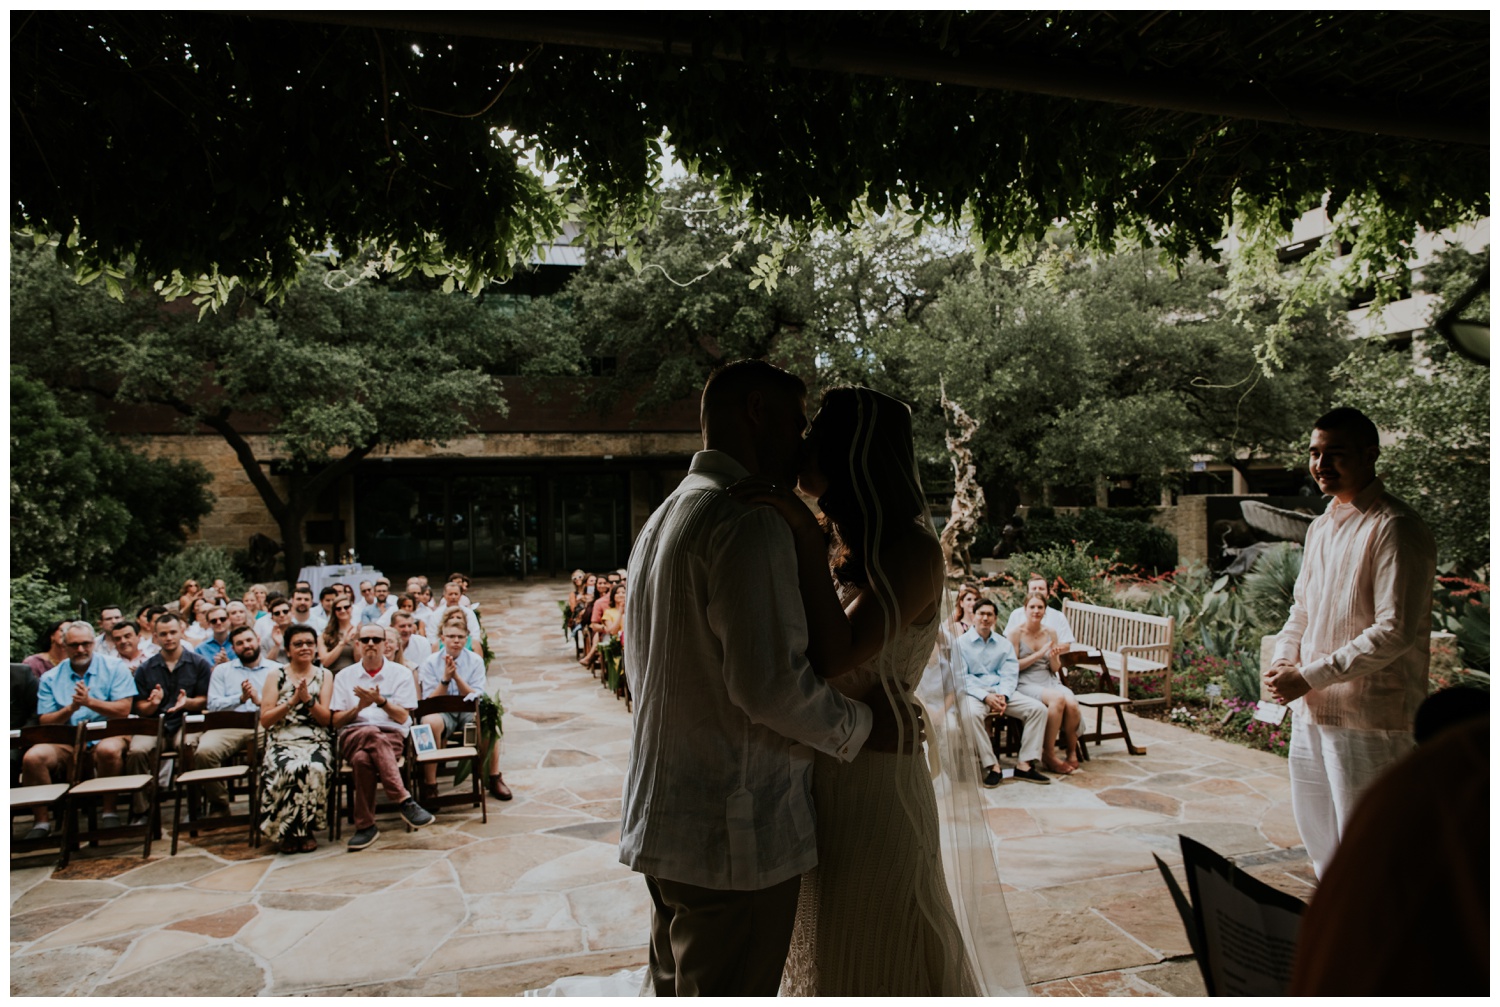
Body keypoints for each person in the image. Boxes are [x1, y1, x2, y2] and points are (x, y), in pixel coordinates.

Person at [732, 384, 1027, 995]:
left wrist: (802, 532)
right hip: (836, 758)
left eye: (816, 436)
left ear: (850, 453)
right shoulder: (853, 544)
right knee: (835, 940)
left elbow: (836, 651)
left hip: (876, 777)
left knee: (880, 933)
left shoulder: (913, 552)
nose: (803, 444)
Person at [620, 362, 896, 997]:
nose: (803, 443)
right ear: (755, 410)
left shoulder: (664, 515)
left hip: (666, 822)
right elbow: (769, 685)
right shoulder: (746, 519)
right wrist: (863, 725)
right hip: (732, 836)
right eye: (797, 423)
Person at [1264, 407, 1437, 879]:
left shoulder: (1395, 528)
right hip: (1312, 709)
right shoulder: (1322, 526)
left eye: (1335, 454)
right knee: (1323, 846)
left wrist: (1308, 675)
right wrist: (1284, 663)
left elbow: (1394, 630)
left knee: (1375, 850)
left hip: (1371, 717)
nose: (1321, 465)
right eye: (1315, 453)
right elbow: (1302, 608)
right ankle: (1341, 939)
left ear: (1369, 456)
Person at [21, 622, 138, 838]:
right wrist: (71, 708)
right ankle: (41, 821)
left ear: (94, 643)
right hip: (66, 738)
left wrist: (89, 702)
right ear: (64, 646)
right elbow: (45, 720)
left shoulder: (114, 667)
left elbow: (123, 709)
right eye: (74, 645)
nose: (81, 650)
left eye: (85, 644)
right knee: (33, 757)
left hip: (107, 732)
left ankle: (109, 811)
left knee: (108, 751)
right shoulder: (50, 677)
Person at [329, 623, 434, 850]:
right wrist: (359, 708)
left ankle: (365, 827)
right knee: (368, 731)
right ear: (357, 644)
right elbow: (336, 721)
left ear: (385, 644)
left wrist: (380, 702)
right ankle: (404, 800)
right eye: (365, 640)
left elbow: (402, 716)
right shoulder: (344, 677)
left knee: (362, 760)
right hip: (353, 733)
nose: (370, 644)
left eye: (376, 640)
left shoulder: (401, 674)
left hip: (390, 735)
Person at [130, 613, 215, 821]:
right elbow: (140, 707)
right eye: (163, 634)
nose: (169, 638)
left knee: (188, 747)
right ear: (155, 637)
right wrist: (153, 704)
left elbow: (205, 700)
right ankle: (143, 810)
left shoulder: (199, 663)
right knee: (136, 751)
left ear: (181, 632)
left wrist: (188, 703)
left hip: (186, 722)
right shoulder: (145, 668)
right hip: (154, 724)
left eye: (173, 632)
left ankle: (194, 807)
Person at [958, 599, 1052, 785]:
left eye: (989, 614)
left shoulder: (1003, 644)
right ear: (974, 616)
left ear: (995, 618)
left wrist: (1003, 695)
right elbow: (960, 677)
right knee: (971, 714)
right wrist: (986, 696)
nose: (985, 618)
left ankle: (1024, 765)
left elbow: (1010, 673)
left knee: (1038, 709)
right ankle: (992, 766)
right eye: (981, 614)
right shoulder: (960, 643)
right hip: (975, 694)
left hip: (1002, 693)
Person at [258, 624, 333, 853]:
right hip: (282, 737)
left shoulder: (324, 675)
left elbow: (326, 719)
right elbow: (266, 720)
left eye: (309, 643)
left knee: (315, 768)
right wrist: (291, 702)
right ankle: (287, 832)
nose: (304, 648)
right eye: (298, 644)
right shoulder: (276, 675)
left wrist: (309, 700)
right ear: (288, 650)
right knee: (288, 769)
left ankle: (305, 829)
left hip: (314, 737)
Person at [417, 623, 511, 801]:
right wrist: (445, 679)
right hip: (441, 710)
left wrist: (457, 678)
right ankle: (430, 783)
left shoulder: (475, 661)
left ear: (466, 639)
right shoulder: (430, 662)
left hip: (467, 708)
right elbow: (429, 700)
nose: (456, 641)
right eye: (451, 636)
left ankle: (494, 776)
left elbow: (476, 696)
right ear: (442, 638)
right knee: (428, 723)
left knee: (488, 720)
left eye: (460, 637)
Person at [195, 625, 280, 812]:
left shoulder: (276, 669)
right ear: (233, 648)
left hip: (263, 725)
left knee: (281, 750)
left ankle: (270, 804)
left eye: (249, 640)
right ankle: (220, 804)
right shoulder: (222, 671)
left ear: (258, 640)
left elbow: (282, 703)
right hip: (229, 726)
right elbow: (213, 704)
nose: (246, 646)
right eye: (240, 643)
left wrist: (260, 701)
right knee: (204, 752)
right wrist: (239, 699)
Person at [1008, 593, 1081, 773]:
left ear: (1045, 610)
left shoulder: (1050, 632)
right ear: (1025, 609)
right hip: (1025, 680)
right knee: (1057, 699)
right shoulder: (1016, 633)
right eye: (1032, 607)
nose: (1036, 611)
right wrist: (1039, 654)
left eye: (1040, 607)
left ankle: (1071, 751)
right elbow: (1013, 666)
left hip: (1048, 678)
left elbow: (1055, 668)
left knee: (1072, 704)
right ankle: (1049, 754)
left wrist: (1054, 657)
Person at [1003, 573, 1076, 643]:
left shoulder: (1059, 617)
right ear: (1027, 594)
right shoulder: (1016, 614)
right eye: (1034, 589)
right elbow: (1008, 642)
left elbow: (1066, 645)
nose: (1037, 591)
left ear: (1048, 595)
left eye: (1041, 589)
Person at [317, 595, 360, 674]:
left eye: (346, 607)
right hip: (333, 676)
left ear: (351, 608)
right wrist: (342, 644)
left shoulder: (359, 632)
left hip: (353, 676)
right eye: (338, 609)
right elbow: (325, 662)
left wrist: (356, 641)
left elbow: (359, 661)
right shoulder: (325, 635)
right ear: (334, 612)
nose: (343, 611)